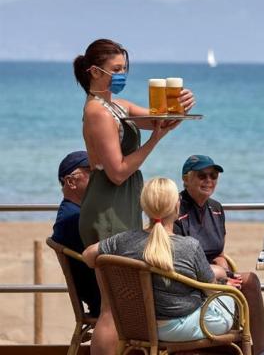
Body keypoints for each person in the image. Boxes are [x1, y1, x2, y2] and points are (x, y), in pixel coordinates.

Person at [72, 38, 195, 354]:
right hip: (107, 207)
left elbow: (160, 118)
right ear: (94, 71)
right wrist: (156, 139)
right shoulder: (97, 112)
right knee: (113, 306)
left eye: (125, 68)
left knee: (121, 305)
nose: (122, 74)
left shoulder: (117, 106)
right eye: (116, 69)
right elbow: (117, 172)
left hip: (123, 204)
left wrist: (180, 104)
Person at [83, 178, 236, 342]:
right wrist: (224, 287)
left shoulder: (123, 240)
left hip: (139, 326)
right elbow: (211, 289)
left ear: (143, 207)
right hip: (180, 327)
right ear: (177, 206)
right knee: (232, 298)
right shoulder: (190, 246)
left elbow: (88, 256)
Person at [174, 155, 264, 355]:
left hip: (214, 276)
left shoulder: (216, 209)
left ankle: (261, 350)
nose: (209, 181)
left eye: (213, 176)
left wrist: (225, 270)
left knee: (250, 281)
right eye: (202, 175)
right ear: (186, 179)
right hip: (189, 281)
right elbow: (178, 262)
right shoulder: (176, 208)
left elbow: (219, 252)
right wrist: (218, 276)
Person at [51, 150, 100, 317]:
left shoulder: (73, 212)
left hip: (100, 296)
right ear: (71, 181)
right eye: (92, 171)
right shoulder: (74, 218)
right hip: (105, 300)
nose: (99, 178)